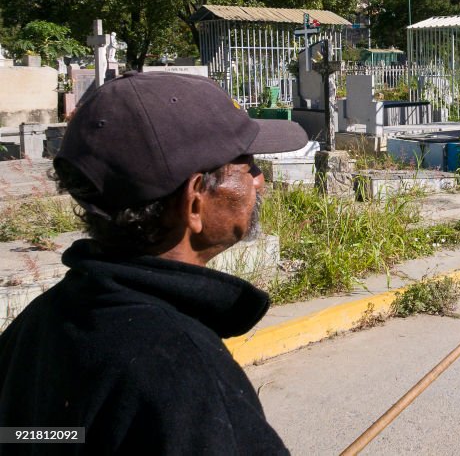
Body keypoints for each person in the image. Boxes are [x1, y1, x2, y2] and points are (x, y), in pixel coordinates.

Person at [0, 72, 308, 454]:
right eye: (247, 165)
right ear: (195, 202)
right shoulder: (183, 370)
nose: (259, 181)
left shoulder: (46, 317)